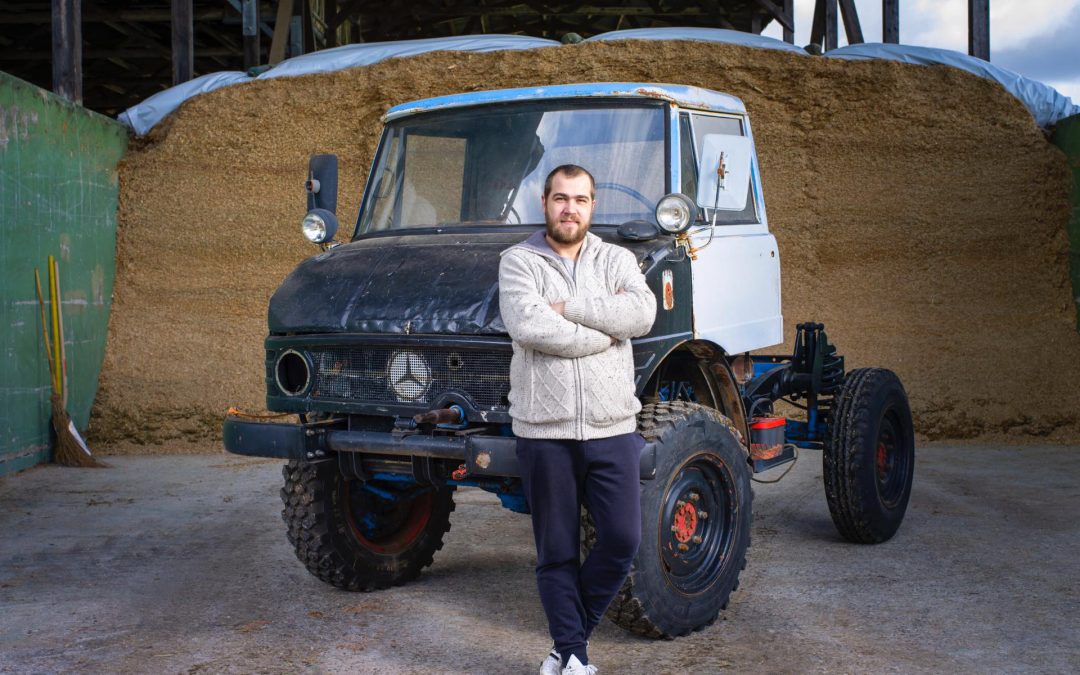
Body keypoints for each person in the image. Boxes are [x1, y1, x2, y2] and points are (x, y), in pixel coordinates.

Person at [498, 165, 657, 675]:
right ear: (544, 202)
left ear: (593, 206)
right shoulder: (518, 262)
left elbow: (641, 314)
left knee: (621, 539)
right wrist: (602, 332)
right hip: (545, 431)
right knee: (557, 551)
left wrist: (570, 307)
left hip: (612, 426)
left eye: (581, 200)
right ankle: (574, 657)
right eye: (561, 199)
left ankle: (565, 645)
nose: (571, 208)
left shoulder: (617, 259)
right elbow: (529, 325)